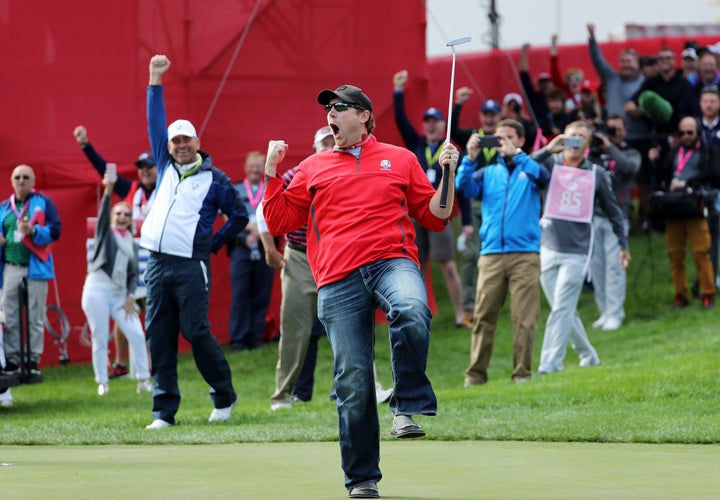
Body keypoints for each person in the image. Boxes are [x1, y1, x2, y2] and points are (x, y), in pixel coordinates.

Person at [263, 84, 459, 499]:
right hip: (337, 275)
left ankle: (405, 406)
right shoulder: (313, 166)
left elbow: (437, 216)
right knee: (352, 382)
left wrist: (448, 172)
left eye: (339, 108)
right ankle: (362, 479)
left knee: (411, 307)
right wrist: (271, 173)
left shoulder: (401, 158)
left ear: (364, 116)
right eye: (327, 109)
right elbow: (280, 222)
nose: (329, 115)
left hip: (392, 260)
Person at [142, 54, 248, 430]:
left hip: (190, 266)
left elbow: (239, 215)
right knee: (159, 333)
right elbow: (155, 119)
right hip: (156, 264)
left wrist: (213, 243)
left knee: (195, 330)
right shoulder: (164, 162)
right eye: (175, 140)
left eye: (186, 139)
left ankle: (224, 395)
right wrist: (155, 79)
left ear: (197, 141)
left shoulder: (215, 179)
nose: (180, 145)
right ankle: (163, 412)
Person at [531, 121, 631, 375]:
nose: (574, 141)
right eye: (570, 136)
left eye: (579, 138)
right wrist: (548, 149)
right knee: (562, 309)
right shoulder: (551, 165)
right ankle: (589, 355)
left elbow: (613, 211)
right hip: (547, 246)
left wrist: (623, 245)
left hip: (576, 252)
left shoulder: (596, 173)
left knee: (561, 309)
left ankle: (549, 365)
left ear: (586, 145)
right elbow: (522, 166)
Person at [456, 119, 550, 386]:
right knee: (483, 316)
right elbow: (464, 187)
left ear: (520, 141)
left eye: (508, 137)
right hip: (492, 254)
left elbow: (545, 178)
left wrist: (518, 156)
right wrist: (469, 159)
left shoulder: (530, 168)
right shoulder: (487, 172)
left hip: (525, 255)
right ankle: (475, 376)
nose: (501, 143)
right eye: (497, 138)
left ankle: (522, 374)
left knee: (524, 319)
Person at [73, 125, 157, 379]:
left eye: (149, 167)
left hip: (154, 256)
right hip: (129, 257)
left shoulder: (166, 188)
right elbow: (105, 171)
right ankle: (121, 362)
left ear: (157, 169)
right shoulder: (131, 188)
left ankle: (150, 364)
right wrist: (86, 145)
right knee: (125, 308)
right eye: (141, 168)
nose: (144, 171)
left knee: (149, 311)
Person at [392, 69, 466, 328]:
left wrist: (465, 219)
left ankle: (460, 314)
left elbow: (461, 187)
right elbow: (401, 120)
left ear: (442, 125)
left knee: (447, 264)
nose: (431, 125)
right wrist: (398, 90)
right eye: (427, 121)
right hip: (415, 213)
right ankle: (418, 314)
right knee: (417, 265)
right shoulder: (417, 144)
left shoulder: (449, 149)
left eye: (435, 121)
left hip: (440, 212)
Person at [82, 173, 152, 395]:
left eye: (127, 214)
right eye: (118, 213)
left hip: (120, 295)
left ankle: (143, 380)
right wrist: (109, 191)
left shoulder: (132, 243)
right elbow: (102, 217)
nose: (122, 217)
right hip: (97, 291)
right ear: (113, 217)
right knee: (100, 336)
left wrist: (131, 296)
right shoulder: (105, 235)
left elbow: (133, 275)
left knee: (137, 333)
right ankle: (102, 381)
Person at [649, 115, 719, 309]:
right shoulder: (673, 151)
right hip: (674, 208)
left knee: (701, 252)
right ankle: (681, 294)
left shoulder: (708, 151)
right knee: (675, 254)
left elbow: (714, 174)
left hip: (695, 207)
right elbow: (662, 174)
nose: (686, 136)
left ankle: (707, 293)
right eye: (682, 133)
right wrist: (654, 161)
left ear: (698, 133)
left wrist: (689, 182)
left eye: (690, 133)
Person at [0, 165, 61, 384]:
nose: (22, 180)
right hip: (10, 267)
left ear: (33, 180)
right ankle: (13, 361)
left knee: (35, 316)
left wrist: (34, 231)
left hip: (36, 267)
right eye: (17, 177)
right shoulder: (4, 207)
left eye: (26, 177)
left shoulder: (44, 202)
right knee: (12, 316)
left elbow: (56, 231)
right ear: (11, 181)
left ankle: (32, 361)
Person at [450, 89, 502, 328]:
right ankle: (469, 306)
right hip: (473, 204)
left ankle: (493, 304)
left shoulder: (505, 139)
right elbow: (450, 130)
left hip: (498, 203)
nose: (490, 119)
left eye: (494, 115)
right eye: (486, 114)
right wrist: (458, 104)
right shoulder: (472, 137)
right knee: (472, 255)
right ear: (481, 117)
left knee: (495, 254)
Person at [587, 115, 642, 330]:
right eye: (611, 129)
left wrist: (610, 147)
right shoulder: (594, 155)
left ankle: (616, 313)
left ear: (625, 131)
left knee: (614, 267)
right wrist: (594, 146)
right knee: (597, 268)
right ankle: (604, 311)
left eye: (618, 129)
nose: (614, 132)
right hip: (593, 217)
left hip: (616, 218)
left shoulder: (630, 153)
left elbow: (629, 168)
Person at [228, 151, 274, 351]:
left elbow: (276, 215)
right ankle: (238, 340)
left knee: (261, 294)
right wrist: (253, 229)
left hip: (266, 249)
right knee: (240, 295)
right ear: (246, 168)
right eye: (252, 166)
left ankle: (256, 339)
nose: (255, 170)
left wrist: (262, 234)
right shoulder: (236, 189)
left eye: (258, 166)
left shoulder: (270, 190)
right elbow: (228, 216)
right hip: (242, 248)